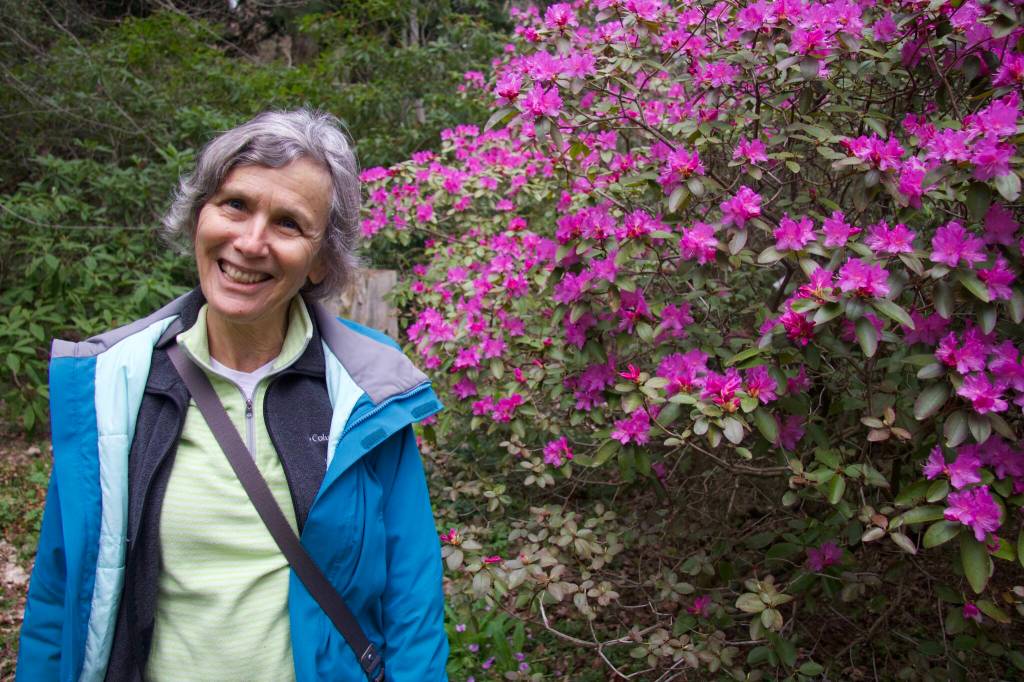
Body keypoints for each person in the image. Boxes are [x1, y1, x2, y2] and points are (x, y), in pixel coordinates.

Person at [16, 109, 449, 681]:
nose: (251, 242)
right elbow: (57, 598)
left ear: (321, 259)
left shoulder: (366, 395)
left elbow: (412, 604)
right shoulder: (114, 388)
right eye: (236, 205)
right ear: (199, 215)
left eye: (289, 224)